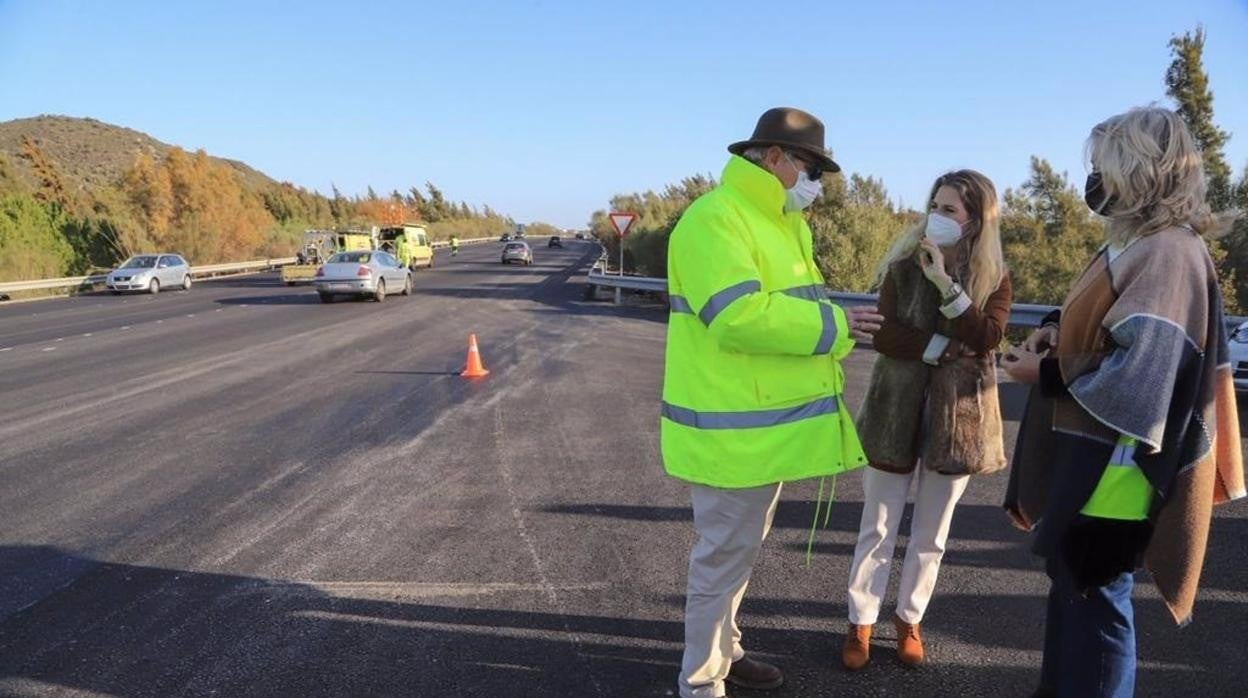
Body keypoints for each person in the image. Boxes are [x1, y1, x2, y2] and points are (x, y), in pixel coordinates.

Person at [1003, 106, 1246, 698]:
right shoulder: (1142, 241)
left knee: (1095, 603)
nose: (1095, 179)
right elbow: (1109, 320)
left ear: (1142, 170)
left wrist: (1049, 373)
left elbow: (1141, 374)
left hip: (1117, 473)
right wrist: (1057, 327)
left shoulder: (1169, 250)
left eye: (1105, 165)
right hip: (1099, 465)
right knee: (1074, 593)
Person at [662, 106, 883, 698]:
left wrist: (831, 328)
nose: (814, 181)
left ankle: (725, 654)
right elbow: (736, 318)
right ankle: (701, 684)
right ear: (775, 158)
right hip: (730, 436)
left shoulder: (781, 223)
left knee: (735, 560)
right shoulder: (717, 219)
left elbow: (782, 316)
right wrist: (837, 326)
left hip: (758, 436)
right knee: (719, 564)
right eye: (810, 165)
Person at [844, 170, 1011, 670]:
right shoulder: (901, 264)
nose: (936, 217)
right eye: (934, 206)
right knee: (877, 526)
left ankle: (909, 619)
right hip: (893, 407)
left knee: (932, 534)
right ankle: (861, 622)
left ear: (976, 221)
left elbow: (987, 337)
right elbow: (886, 336)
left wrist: (943, 281)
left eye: (949, 210)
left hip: (957, 418)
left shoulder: (995, 275)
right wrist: (942, 348)